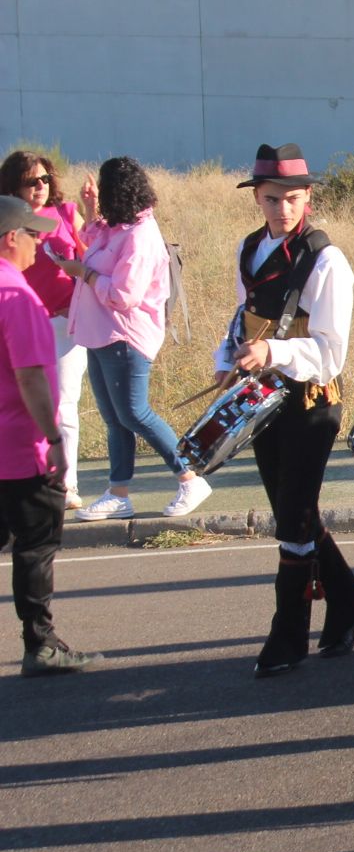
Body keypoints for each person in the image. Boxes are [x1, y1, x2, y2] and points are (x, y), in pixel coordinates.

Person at [219, 144, 354, 678]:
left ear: (307, 197)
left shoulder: (327, 260)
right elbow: (244, 314)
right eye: (271, 198)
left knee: (292, 520)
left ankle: (288, 636)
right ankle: (350, 602)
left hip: (310, 402)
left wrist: (274, 353)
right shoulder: (250, 249)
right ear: (257, 199)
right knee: (296, 515)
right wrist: (228, 358)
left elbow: (332, 352)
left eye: (292, 198)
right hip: (264, 400)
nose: (282, 208)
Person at [59, 156, 212, 521]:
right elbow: (91, 237)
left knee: (135, 412)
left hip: (125, 337)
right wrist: (90, 208)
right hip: (100, 335)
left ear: (119, 194)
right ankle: (119, 492)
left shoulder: (141, 235)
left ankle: (190, 477)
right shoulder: (119, 225)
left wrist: (84, 273)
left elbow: (124, 294)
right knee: (115, 418)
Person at [0, 195, 103, 675]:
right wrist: (55, 439)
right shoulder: (15, 294)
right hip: (21, 449)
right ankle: (40, 643)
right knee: (36, 546)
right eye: (34, 236)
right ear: (10, 239)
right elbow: (30, 378)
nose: (40, 244)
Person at [0, 151, 89, 508]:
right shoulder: (8, 222)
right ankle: (29, 476)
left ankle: (65, 484)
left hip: (65, 321)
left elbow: (91, 254)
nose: (40, 187)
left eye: (45, 179)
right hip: (22, 322)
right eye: (31, 181)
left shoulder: (65, 213)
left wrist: (92, 211)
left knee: (63, 403)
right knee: (20, 398)